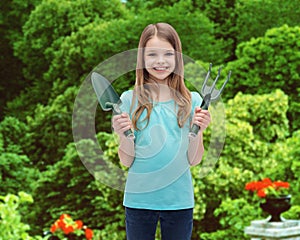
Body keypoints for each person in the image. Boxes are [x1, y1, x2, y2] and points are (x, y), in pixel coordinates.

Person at [112, 23, 211, 240]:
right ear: (142, 59)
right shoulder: (128, 101)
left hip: (179, 201)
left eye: (168, 54)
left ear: (177, 58)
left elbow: (194, 160)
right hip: (139, 201)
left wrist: (199, 130)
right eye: (152, 54)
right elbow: (126, 161)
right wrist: (123, 135)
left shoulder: (193, 101)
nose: (160, 61)